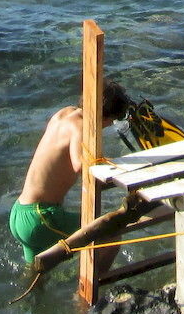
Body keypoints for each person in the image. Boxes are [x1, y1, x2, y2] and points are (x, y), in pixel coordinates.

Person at [11, 83, 130, 267]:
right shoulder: (81, 126)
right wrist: (108, 163)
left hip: (20, 212)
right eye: (110, 121)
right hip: (41, 217)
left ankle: (35, 294)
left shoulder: (65, 113)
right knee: (111, 238)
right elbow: (78, 164)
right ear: (104, 116)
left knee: (39, 271)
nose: (107, 126)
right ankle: (87, 294)